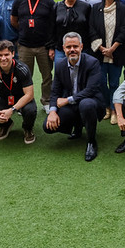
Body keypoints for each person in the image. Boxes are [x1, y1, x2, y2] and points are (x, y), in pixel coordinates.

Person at [43, 33, 106, 162]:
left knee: (86, 104)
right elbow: (55, 91)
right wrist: (52, 111)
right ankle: (77, 127)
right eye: (69, 47)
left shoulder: (92, 62)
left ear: (81, 47)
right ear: (63, 48)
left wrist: (67, 99)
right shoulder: (60, 65)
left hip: (93, 102)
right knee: (47, 126)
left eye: (75, 46)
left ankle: (91, 142)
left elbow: (91, 90)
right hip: (73, 104)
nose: (72, 50)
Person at [11, 0, 56, 108]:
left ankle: (46, 101)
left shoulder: (48, 1)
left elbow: (53, 25)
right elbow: (14, 21)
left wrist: (51, 46)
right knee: (24, 76)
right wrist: (25, 30)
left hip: (44, 46)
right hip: (24, 46)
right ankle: (24, 102)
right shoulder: (19, 1)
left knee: (47, 76)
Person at [88, 0, 125, 124]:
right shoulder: (95, 8)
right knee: (100, 82)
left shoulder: (123, 9)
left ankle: (113, 110)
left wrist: (112, 48)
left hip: (116, 53)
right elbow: (91, 29)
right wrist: (102, 48)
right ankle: (106, 106)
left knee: (114, 83)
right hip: (99, 54)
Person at [0, 40, 37, 144]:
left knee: (30, 110)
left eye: (6, 54)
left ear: (13, 54)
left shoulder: (22, 69)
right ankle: (6, 125)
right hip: (3, 99)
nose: (3, 58)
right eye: (0, 55)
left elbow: (29, 94)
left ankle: (28, 129)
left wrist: (12, 110)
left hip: (22, 98)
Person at [54, 0, 91, 64]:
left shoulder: (86, 7)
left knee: (81, 74)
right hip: (61, 49)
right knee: (61, 73)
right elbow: (51, 28)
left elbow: (89, 28)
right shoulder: (56, 7)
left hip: (81, 49)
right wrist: (51, 48)